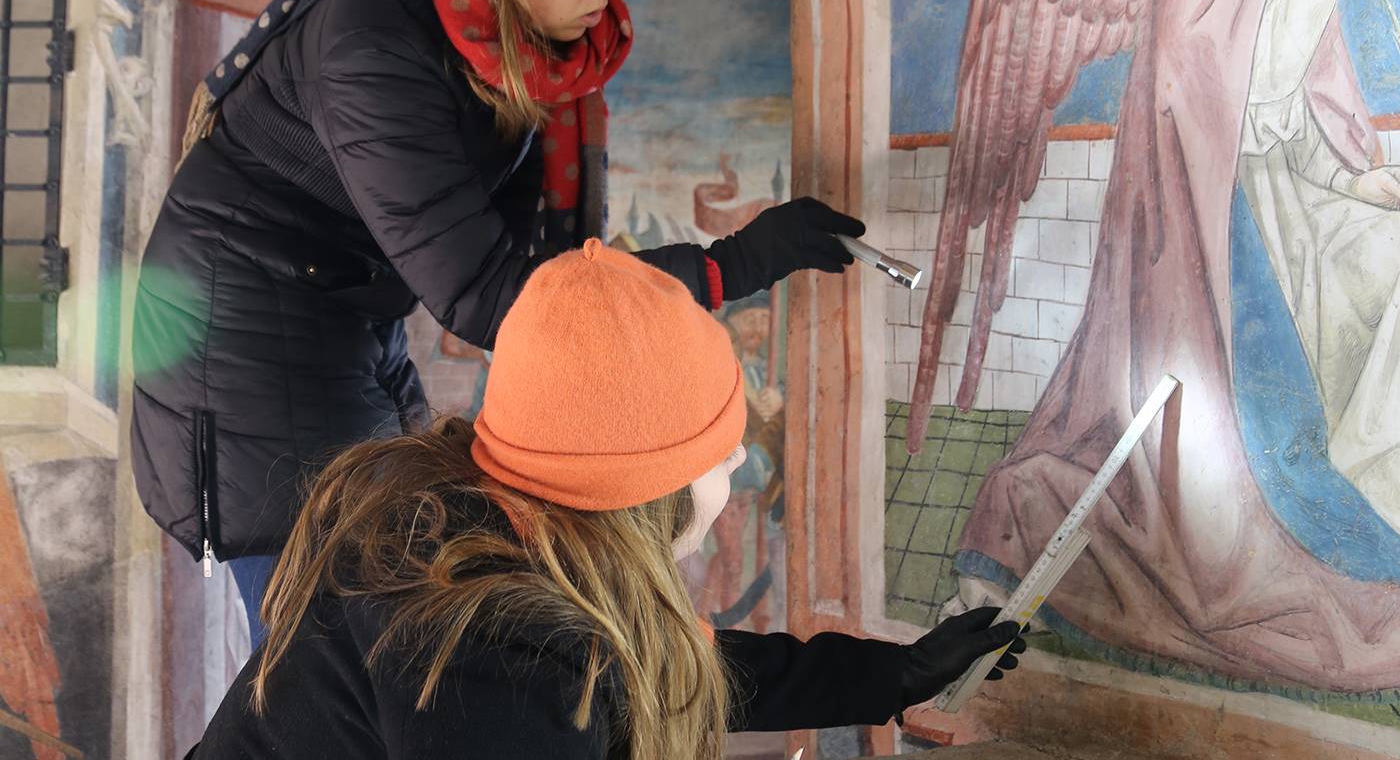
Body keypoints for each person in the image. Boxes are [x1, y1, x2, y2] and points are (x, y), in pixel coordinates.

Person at [130, 0, 863, 647]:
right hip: (242, 356)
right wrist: (734, 263)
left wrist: (724, 269)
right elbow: (504, 300)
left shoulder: (498, 36)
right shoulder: (374, 55)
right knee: (341, 648)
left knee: (401, 609)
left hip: (340, 314)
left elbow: (542, 272)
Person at [187, 240, 1026, 759]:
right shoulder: (496, 655)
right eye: (717, 447)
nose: (739, 456)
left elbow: (669, 667)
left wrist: (899, 673)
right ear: (644, 484)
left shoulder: (490, 529)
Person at [953, 0, 1400, 690]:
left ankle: (1379, 486)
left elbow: (1298, 118)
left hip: (1293, 215)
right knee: (1230, 506)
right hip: (1217, 259)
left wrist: (1369, 183)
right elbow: (1245, 91)